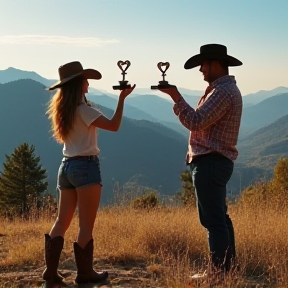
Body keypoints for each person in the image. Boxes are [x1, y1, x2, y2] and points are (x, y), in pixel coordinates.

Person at [43, 61, 135, 285]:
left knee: (61, 221)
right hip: (86, 167)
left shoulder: (63, 110)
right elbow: (114, 125)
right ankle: (85, 274)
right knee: (86, 225)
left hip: (66, 167)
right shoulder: (84, 110)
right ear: (78, 84)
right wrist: (122, 99)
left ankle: (51, 272)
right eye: (85, 80)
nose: (88, 83)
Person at [157, 44, 243, 277]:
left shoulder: (222, 92)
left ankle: (217, 273)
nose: (201, 70)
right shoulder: (223, 89)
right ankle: (228, 269)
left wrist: (175, 96)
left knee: (213, 221)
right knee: (220, 218)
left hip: (210, 162)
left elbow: (196, 121)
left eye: (203, 65)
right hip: (217, 162)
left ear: (215, 63)